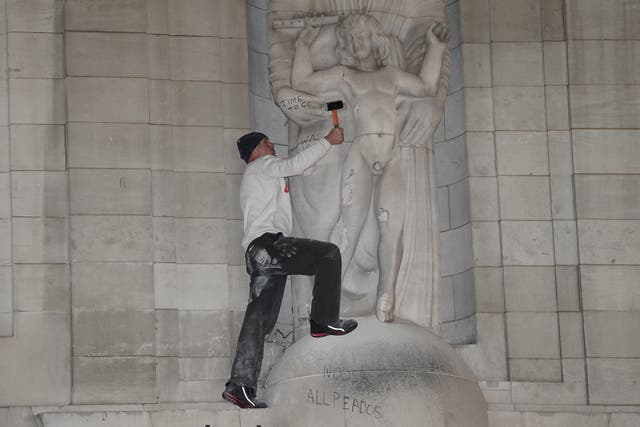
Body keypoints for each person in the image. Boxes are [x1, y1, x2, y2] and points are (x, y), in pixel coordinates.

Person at [291, 15, 449, 322]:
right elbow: (301, 81)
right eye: (350, 39)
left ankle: (386, 295)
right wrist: (302, 46)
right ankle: (327, 297)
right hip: (361, 155)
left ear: (374, 38)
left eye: (362, 37)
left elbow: (428, 86)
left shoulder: (391, 75)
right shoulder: (345, 76)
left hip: (391, 157)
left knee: (391, 229)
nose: (356, 43)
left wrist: (435, 48)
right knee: (349, 229)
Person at [222, 128, 358, 409]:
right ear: (255, 151)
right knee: (328, 254)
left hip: (257, 254)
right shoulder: (264, 166)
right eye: (266, 141)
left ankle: (240, 386)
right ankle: (323, 321)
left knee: (258, 321)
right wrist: (327, 141)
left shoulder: (258, 174)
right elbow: (294, 165)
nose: (272, 144)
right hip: (270, 246)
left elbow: (292, 171)